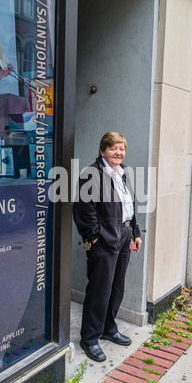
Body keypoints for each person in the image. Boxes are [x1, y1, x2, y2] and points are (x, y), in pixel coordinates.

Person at [73, 132, 142, 362]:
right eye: (113, 148)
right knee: (99, 289)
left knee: (117, 286)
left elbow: (130, 204)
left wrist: (135, 232)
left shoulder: (122, 172)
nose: (118, 153)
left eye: (121, 149)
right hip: (104, 239)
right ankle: (90, 338)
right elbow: (83, 210)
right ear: (102, 150)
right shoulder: (91, 174)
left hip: (124, 234)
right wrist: (94, 237)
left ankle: (109, 328)